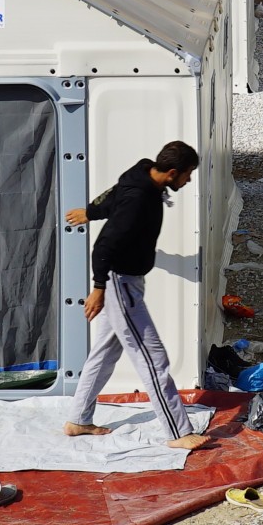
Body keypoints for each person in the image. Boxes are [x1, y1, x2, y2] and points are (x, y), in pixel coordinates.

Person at [62, 140, 212, 451]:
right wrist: (98, 288)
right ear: (171, 172)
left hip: (126, 281)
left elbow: (113, 197)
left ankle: (78, 419)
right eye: (188, 174)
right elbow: (104, 246)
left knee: (105, 351)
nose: (189, 180)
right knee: (152, 356)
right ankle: (178, 432)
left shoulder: (142, 173)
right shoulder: (140, 198)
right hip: (120, 284)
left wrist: (90, 212)